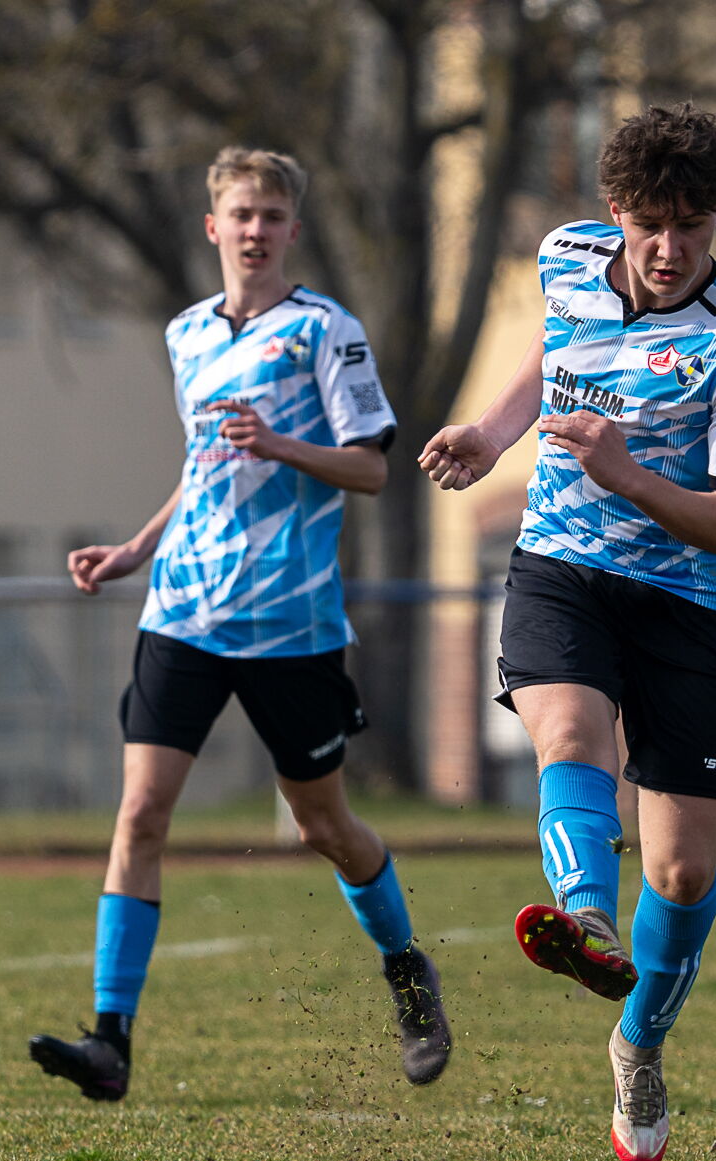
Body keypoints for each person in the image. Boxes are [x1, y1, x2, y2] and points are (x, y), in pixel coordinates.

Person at [29, 147, 450, 1102]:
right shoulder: (185, 334)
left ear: (292, 229)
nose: (255, 229)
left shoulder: (326, 333)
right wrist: (137, 549)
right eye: (240, 214)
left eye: (271, 215)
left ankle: (406, 972)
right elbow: (204, 467)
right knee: (140, 813)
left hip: (290, 622)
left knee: (322, 825)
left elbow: (371, 469)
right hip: (183, 609)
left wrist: (282, 443)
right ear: (212, 227)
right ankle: (110, 1042)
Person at [419, 103, 716, 1161]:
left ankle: (639, 1044)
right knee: (571, 734)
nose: (669, 249)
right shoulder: (566, 258)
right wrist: (493, 434)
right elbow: (554, 350)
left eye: (692, 227)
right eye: (650, 225)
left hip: (689, 603)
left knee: (681, 870)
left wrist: (628, 475)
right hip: (562, 568)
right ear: (616, 210)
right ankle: (585, 922)